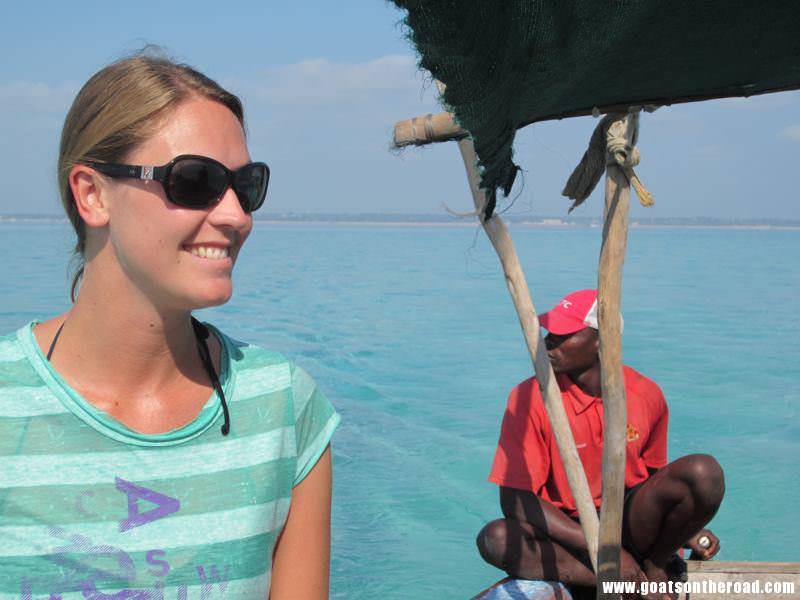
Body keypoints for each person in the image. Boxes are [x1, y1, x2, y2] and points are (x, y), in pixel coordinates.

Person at [0, 51, 339, 599]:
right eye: (196, 180)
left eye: (245, 184)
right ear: (92, 194)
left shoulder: (284, 408)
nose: (235, 215)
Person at [476, 289, 725, 600]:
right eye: (550, 331)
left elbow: (654, 480)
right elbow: (514, 499)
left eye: (564, 334)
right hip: (564, 534)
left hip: (626, 524)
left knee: (703, 473)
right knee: (496, 538)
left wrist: (682, 532)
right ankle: (614, 580)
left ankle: (653, 565)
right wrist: (602, 551)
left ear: (601, 341)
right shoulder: (529, 398)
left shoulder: (645, 394)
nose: (549, 341)